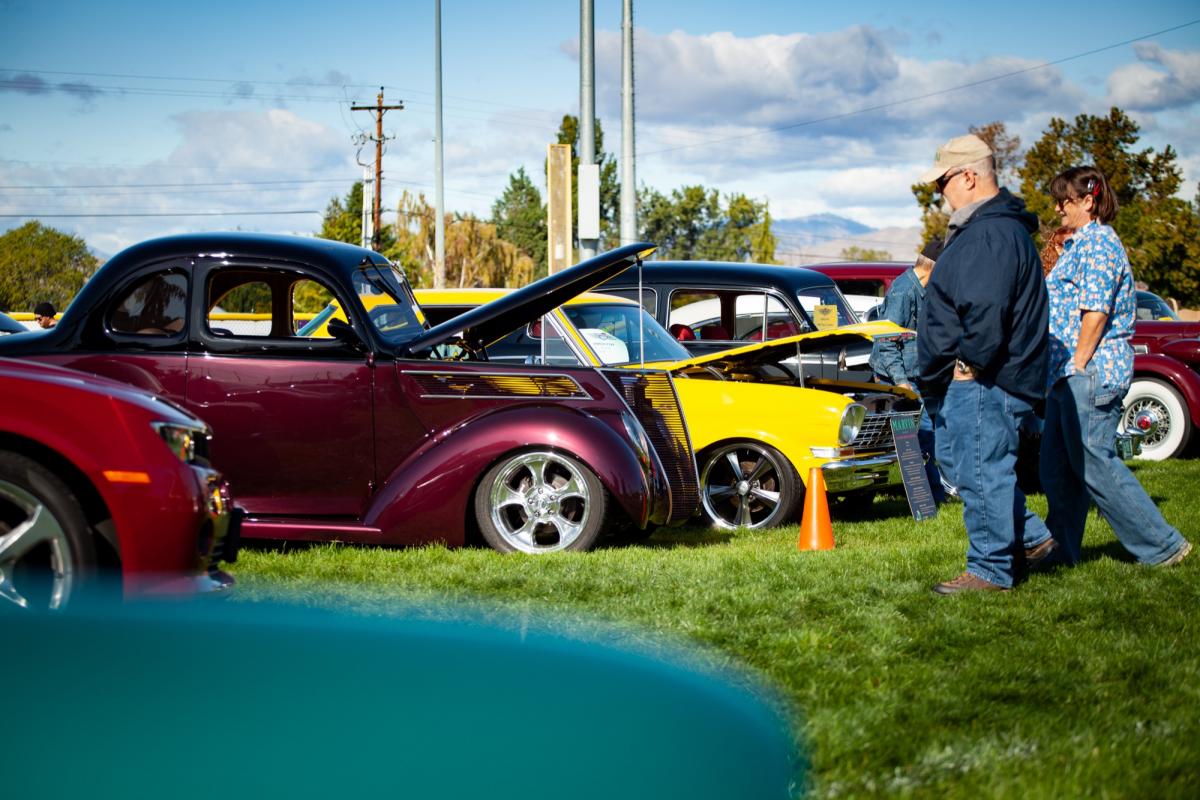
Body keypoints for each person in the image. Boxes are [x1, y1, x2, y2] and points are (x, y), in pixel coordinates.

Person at [916, 133, 1054, 594]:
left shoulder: (991, 232)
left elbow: (986, 309)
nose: (940, 193)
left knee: (982, 473)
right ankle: (1033, 539)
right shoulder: (991, 228)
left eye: (943, 183)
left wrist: (968, 365)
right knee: (974, 467)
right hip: (982, 377)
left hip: (986, 378)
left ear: (969, 176)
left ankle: (991, 569)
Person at [1040, 166, 1191, 567]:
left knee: (1095, 465)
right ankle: (1061, 550)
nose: (1057, 208)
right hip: (1064, 376)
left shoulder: (1100, 245)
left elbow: (1096, 312)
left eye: (1064, 201)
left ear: (1088, 201)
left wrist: (1077, 363)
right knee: (1055, 469)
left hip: (1089, 373)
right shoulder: (1077, 245)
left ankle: (1163, 546)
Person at [869, 238, 953, 502]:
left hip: (917, 375)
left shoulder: (926, 290)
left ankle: (931, 494)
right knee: (922, 435)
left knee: (927, 436)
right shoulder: (903, 292)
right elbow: (886, 340)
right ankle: (931, 497)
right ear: (934, 266)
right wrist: (901, 382)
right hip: (897, 377)